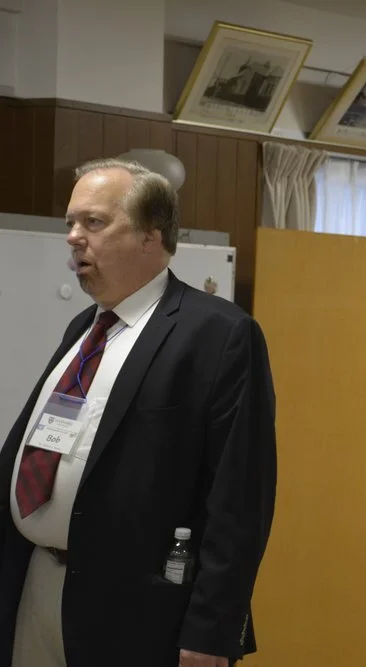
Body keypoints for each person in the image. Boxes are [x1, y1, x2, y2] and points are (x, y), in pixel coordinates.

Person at [0, 158, 278, 667]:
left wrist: (212, 629)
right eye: (71, 223)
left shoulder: (218, 334)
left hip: (135, 611)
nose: (73, 237)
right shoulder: (84, 328)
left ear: (151, 235)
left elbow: (240, 498)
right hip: (35, 586)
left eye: (94, 222)